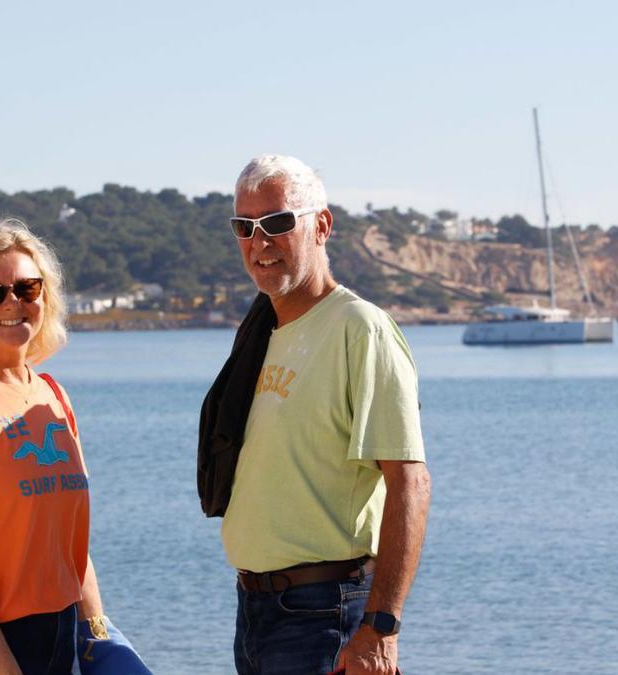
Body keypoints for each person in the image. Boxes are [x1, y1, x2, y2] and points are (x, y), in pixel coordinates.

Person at [203, 155, 431, 675]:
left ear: (321, 226)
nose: (260, 243)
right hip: (256, 611)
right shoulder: (264, 330)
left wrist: (381, 629)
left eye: (278, 223)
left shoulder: (360, 329)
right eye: (245, 227)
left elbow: (410, 483)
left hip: (326, 613)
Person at [0, 219, 150, 675]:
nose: (12, 303)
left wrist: (97, 634)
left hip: (63, 633)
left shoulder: (52, 396)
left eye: (27, 288)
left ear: (45, 296)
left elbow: (69, 543)